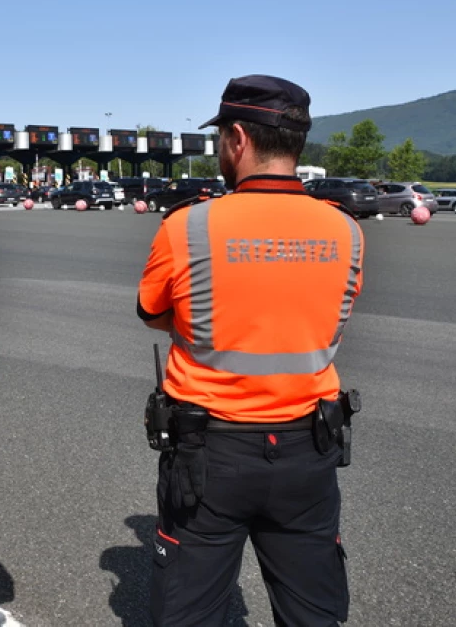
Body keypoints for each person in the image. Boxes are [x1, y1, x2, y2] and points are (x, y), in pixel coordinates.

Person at [137, 75, 364, 627]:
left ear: (237, 138)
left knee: (190, 611)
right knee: (313, 612)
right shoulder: (346, 230)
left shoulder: (188, 226)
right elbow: (329, 318)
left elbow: (154, 312)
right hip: (309, 451)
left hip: (209, 454)